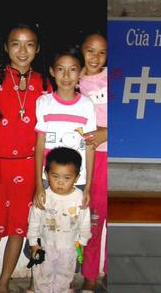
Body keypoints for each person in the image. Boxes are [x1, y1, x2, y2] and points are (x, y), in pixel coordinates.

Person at [0, 24, 50, 293]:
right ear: (6, 48)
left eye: (29, 44)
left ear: (37, 49)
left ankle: (4, 282)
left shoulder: (46, 83)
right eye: (16, 43)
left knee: (17, 230)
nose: (22, 50)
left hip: (28, 168)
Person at [33, 47, 96, 210]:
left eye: (72, 70)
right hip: (48, 179)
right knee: (44, 227)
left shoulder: (87, 105)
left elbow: (90, 145)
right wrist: (39, 183)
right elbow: (39, 145)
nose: (66, 76)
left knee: (71, 228)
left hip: (77, 180)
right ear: (52, 72)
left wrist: (88, 185)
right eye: (61, 69)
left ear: (81, 72)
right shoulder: (44, 103)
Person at [27, 147, 91, 293]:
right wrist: (33, 244)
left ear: (76, 177)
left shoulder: (80, 197)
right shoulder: (43, 196)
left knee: (64, 277)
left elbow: (85, 222)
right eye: (55, 176)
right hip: (45, 246)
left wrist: (82, 242)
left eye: (67, 178)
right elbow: (34, 222)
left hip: (69, 248)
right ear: (46, 174)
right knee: (42, 276)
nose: (60, 182)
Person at [77, 33, 108, 290]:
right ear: (81, 51)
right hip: (89, 158)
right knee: (93, 218)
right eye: (90, 51)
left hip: (114, 154)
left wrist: (106, 132)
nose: (95, 57)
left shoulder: (115, 77)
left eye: (101, 52)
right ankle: (90, 276)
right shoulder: (73, 79)